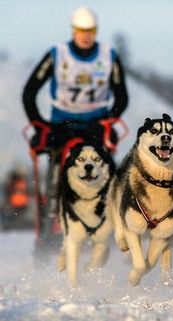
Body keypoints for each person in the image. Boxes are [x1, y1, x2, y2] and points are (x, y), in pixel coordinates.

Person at [22, 6, 128, 255]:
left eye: (90, 31)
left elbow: (121, 95)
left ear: (96, 31)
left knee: (106, 182)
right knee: (55, 184)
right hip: (62, 127)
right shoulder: (57, 54)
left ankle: (106, 241)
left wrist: (110, 120)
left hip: (96, 126)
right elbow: (29, 91)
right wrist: (40, 124)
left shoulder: (108, 55)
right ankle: (46, 245)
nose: (86, 36)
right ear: (73, 30)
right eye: (81, 31)